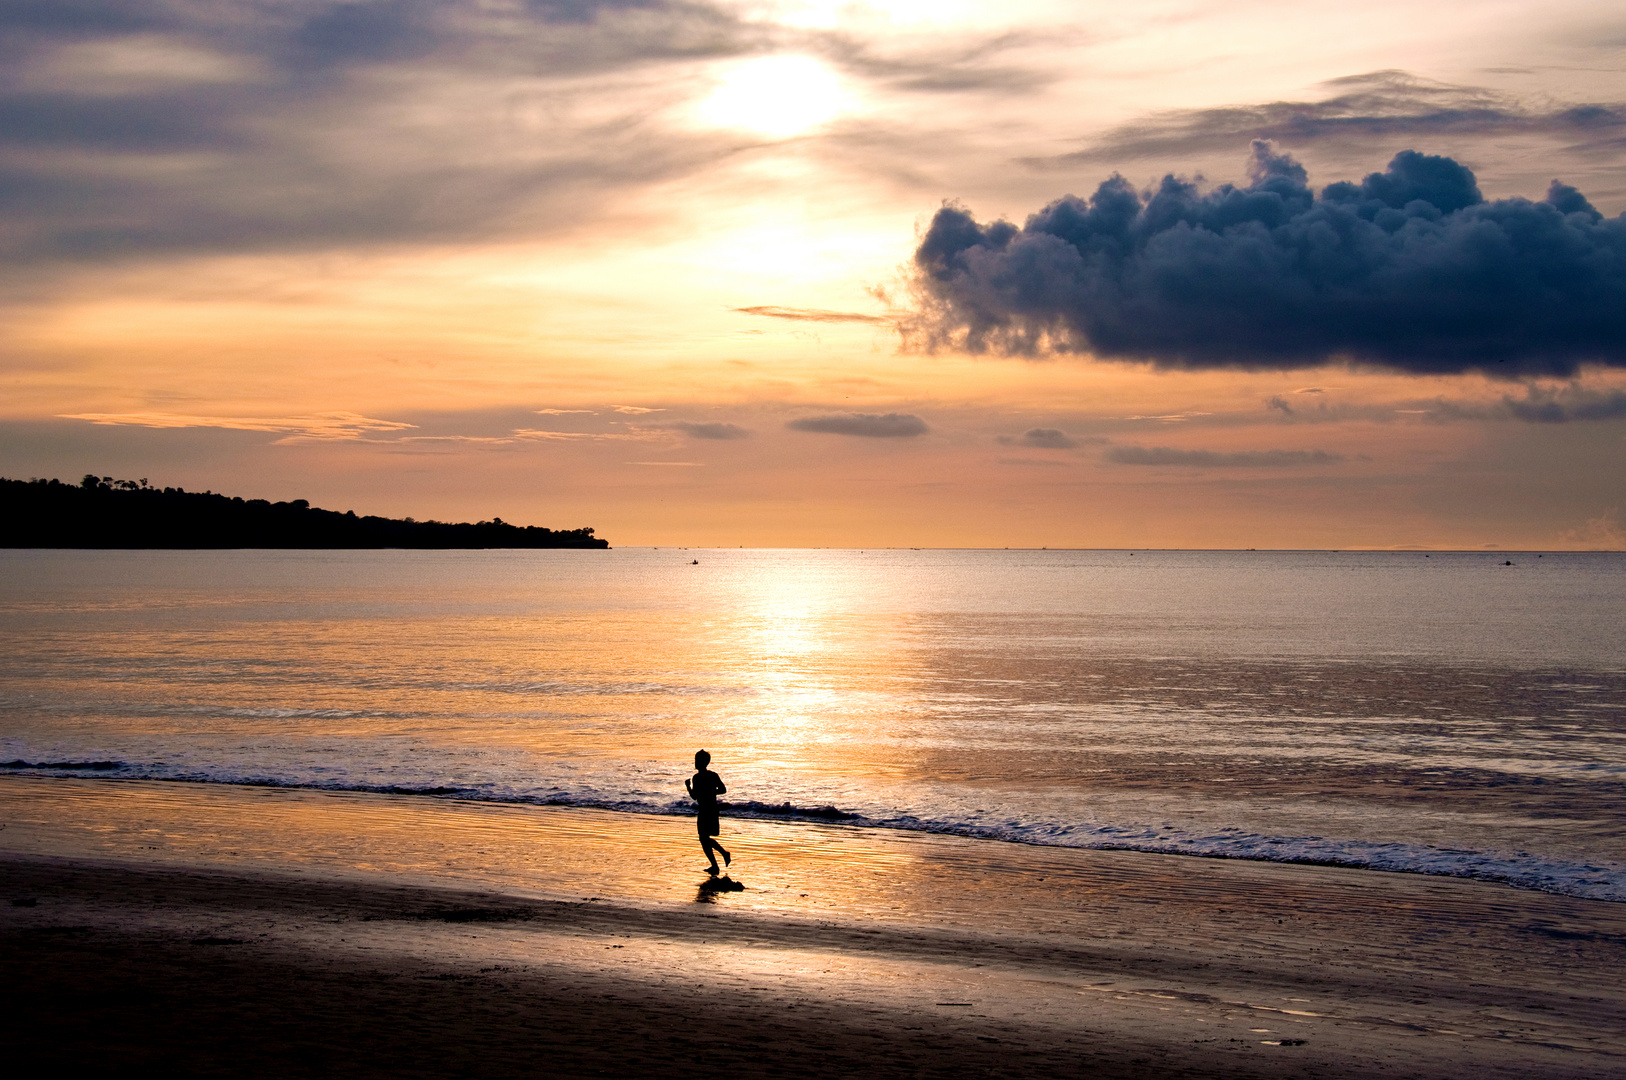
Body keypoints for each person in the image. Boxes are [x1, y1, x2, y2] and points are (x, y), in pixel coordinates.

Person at [685, 749, 732, 876]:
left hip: (708, 809)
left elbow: (722, 790)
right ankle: (716, 863)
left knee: (703, 838)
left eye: (697, 760)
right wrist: (690, 787)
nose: (695, 763)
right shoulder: (707, 776)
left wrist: (690, 788)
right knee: (704, 838)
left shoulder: (702, 777)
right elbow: (721, 790)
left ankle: (722, 856)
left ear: (703, 762)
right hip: (707, 809)